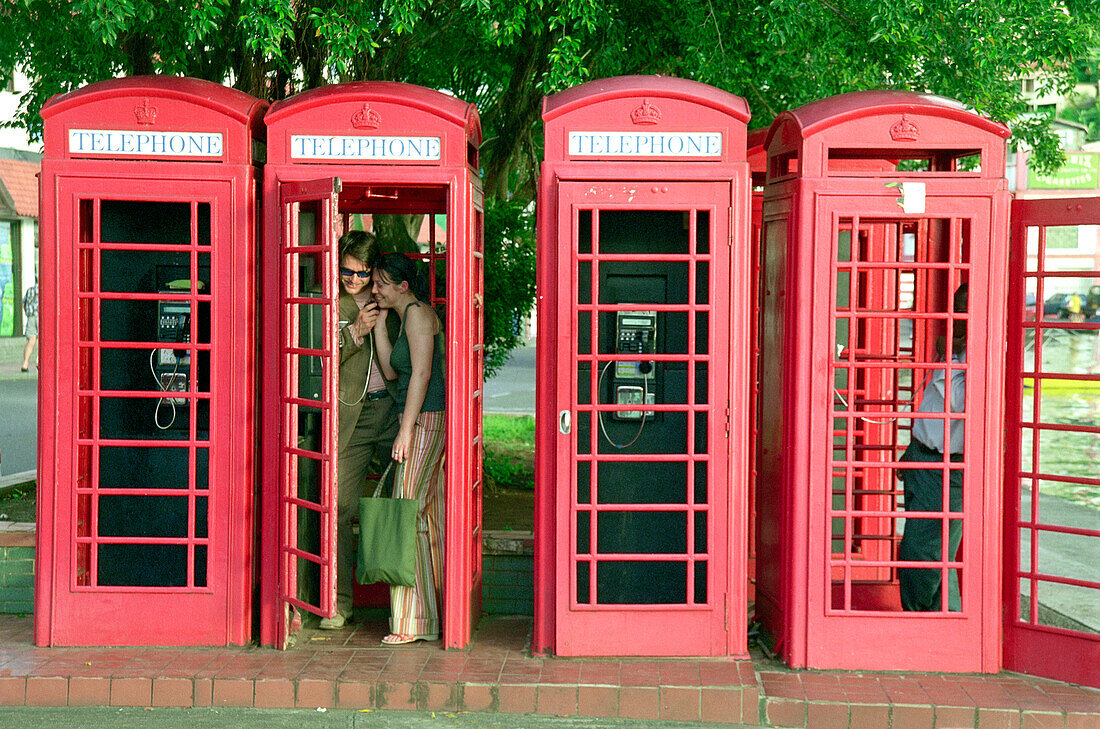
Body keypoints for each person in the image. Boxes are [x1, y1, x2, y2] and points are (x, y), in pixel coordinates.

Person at [322, 231, 399, 630]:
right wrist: (354, 334)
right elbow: (312, 358)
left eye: (360, 272)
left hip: (390, 412)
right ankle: (339, 601)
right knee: (340, 506)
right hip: (350, 415)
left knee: (404, 501)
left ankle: (405, 602)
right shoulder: (326, 302)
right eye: (345, 270)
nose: (351, 279)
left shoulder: (385, 299)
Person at [371, 253, 446, 645]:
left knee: (406, 508)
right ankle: (431, 616)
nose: (375, 288)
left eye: (382, 283)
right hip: (419, 417)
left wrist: (405, 430)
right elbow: (391, 373)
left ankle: (412, 621)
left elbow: (422, 373)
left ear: (403, 286)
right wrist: (381, 324)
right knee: (425, 515)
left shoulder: (418, 314)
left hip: (423, 419)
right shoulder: (404, 318)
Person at [898, 283, 968, 612]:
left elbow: (958, 400)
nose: (959, 315)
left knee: (921, 549)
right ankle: (943, 615)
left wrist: (952, 352)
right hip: (920, 456)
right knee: (932, 547)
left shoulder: (976, 350)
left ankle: (919, 617)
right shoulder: (954, 344)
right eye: (956, 306)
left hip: (949, 467)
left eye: (966, 308)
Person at [20, 282, 37, 373]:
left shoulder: (30, 290)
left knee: (31, 341)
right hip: (43, 317)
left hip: (31, 317)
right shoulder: (45, 290)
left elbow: (24, 303)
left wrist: (28, 314)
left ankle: (25, 363)